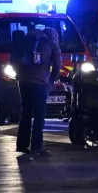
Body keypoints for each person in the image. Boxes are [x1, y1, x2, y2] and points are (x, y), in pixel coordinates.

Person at [15, 26, 62, 157]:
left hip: (24, 82)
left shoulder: (29, 39)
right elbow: (57, 65)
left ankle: (22, 144)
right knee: (39, 116)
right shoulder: (52, 43)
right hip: (40, 83)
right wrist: (52, 80)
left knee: (26, 113)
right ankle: (37, 147)